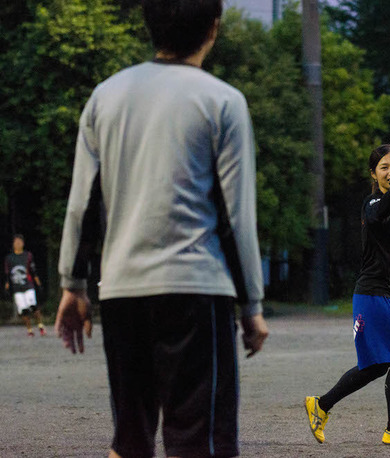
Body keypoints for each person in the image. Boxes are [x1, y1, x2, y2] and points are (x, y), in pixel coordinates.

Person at [54, 0, 268, 456]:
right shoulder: (223, 101)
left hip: (121, 292)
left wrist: (72, 286)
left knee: (130, 440)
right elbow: (235, 215)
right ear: (214, 28)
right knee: (199, 444)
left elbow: (83, 204)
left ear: (150, 25)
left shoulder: (105, 97)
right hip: (194, 290)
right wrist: (251, 304)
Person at [305, 144, 390, 446]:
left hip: (388, 295)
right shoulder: (373, 203)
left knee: (377, 365)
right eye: (384, 167)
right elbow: (378, 216)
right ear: (374, 173)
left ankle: (321, 405)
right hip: (373, 293)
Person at [4, 234, 46, 337]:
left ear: (23, 243)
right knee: (24, 310)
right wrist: (7, 285)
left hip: (28, 285)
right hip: (17, 288)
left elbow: (33, 271)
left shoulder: (27, 255)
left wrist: (38, 283)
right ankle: (29, 329)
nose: (18, 244)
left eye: (19, 242)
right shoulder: (9, 258)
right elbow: (7, 274)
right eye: (16, 242)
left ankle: (40, 325)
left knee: (33, 306)